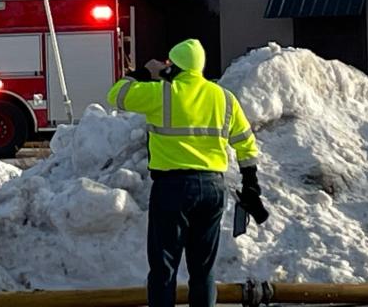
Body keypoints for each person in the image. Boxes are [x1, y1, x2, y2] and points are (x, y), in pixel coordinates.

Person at [107, 38, 264, 307]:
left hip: (172, 189)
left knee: (163, 268)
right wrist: (250, 182)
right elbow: (246, 143)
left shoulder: (163, 94)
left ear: (175, 67)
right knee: (203, 270)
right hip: (212, 189)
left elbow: (116, 95)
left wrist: (147, 72)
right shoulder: (223, 97)